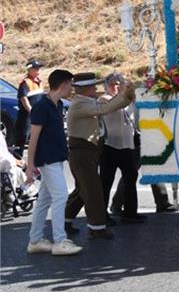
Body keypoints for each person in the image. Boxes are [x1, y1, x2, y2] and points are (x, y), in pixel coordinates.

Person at [64, 72, 134, 240]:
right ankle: (97, 228)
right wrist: (124, 93)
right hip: (82, 151)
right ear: (85, 88)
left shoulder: (84, 101)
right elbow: (106, 108)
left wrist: (126, 93)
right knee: (93, 190)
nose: (95, 88)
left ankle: (64, 220)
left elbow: (107, 107)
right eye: (92, 86)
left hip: (87, 151)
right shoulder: (80, 104)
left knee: (83, 189)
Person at [25, 69, 82, 256]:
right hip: (47, 160)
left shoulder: (56, 105)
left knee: (44, 200)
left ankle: (35, 240)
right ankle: (59, 241)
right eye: (70, 84)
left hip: (55, 158)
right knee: (60, 197)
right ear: (64, 84)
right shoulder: (42, 106)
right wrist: (30, 164)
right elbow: (33, 137)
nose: (71, 88)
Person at [99, 73, 146, 224]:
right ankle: (102, 215)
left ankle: (130, 213)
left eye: (120, 83)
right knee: (106, 182)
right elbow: (117, 104)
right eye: (113, 84)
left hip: (127, 145)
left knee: (130, 180)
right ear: (106, 86)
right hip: (110, 145)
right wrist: (124, 92)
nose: (116, 86)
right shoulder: (104, 99)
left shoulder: (127, 100)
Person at [14, 59, 44, 155]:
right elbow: (23, 98)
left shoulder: (39, 82)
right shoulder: (25, 82)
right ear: (29, 70)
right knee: (24, 135)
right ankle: (18, 155)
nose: (38, 70)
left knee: (37, 135)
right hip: (27, 114)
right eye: (36, 68)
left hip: (38, 113)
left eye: (39, 68)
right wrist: (31, 111)